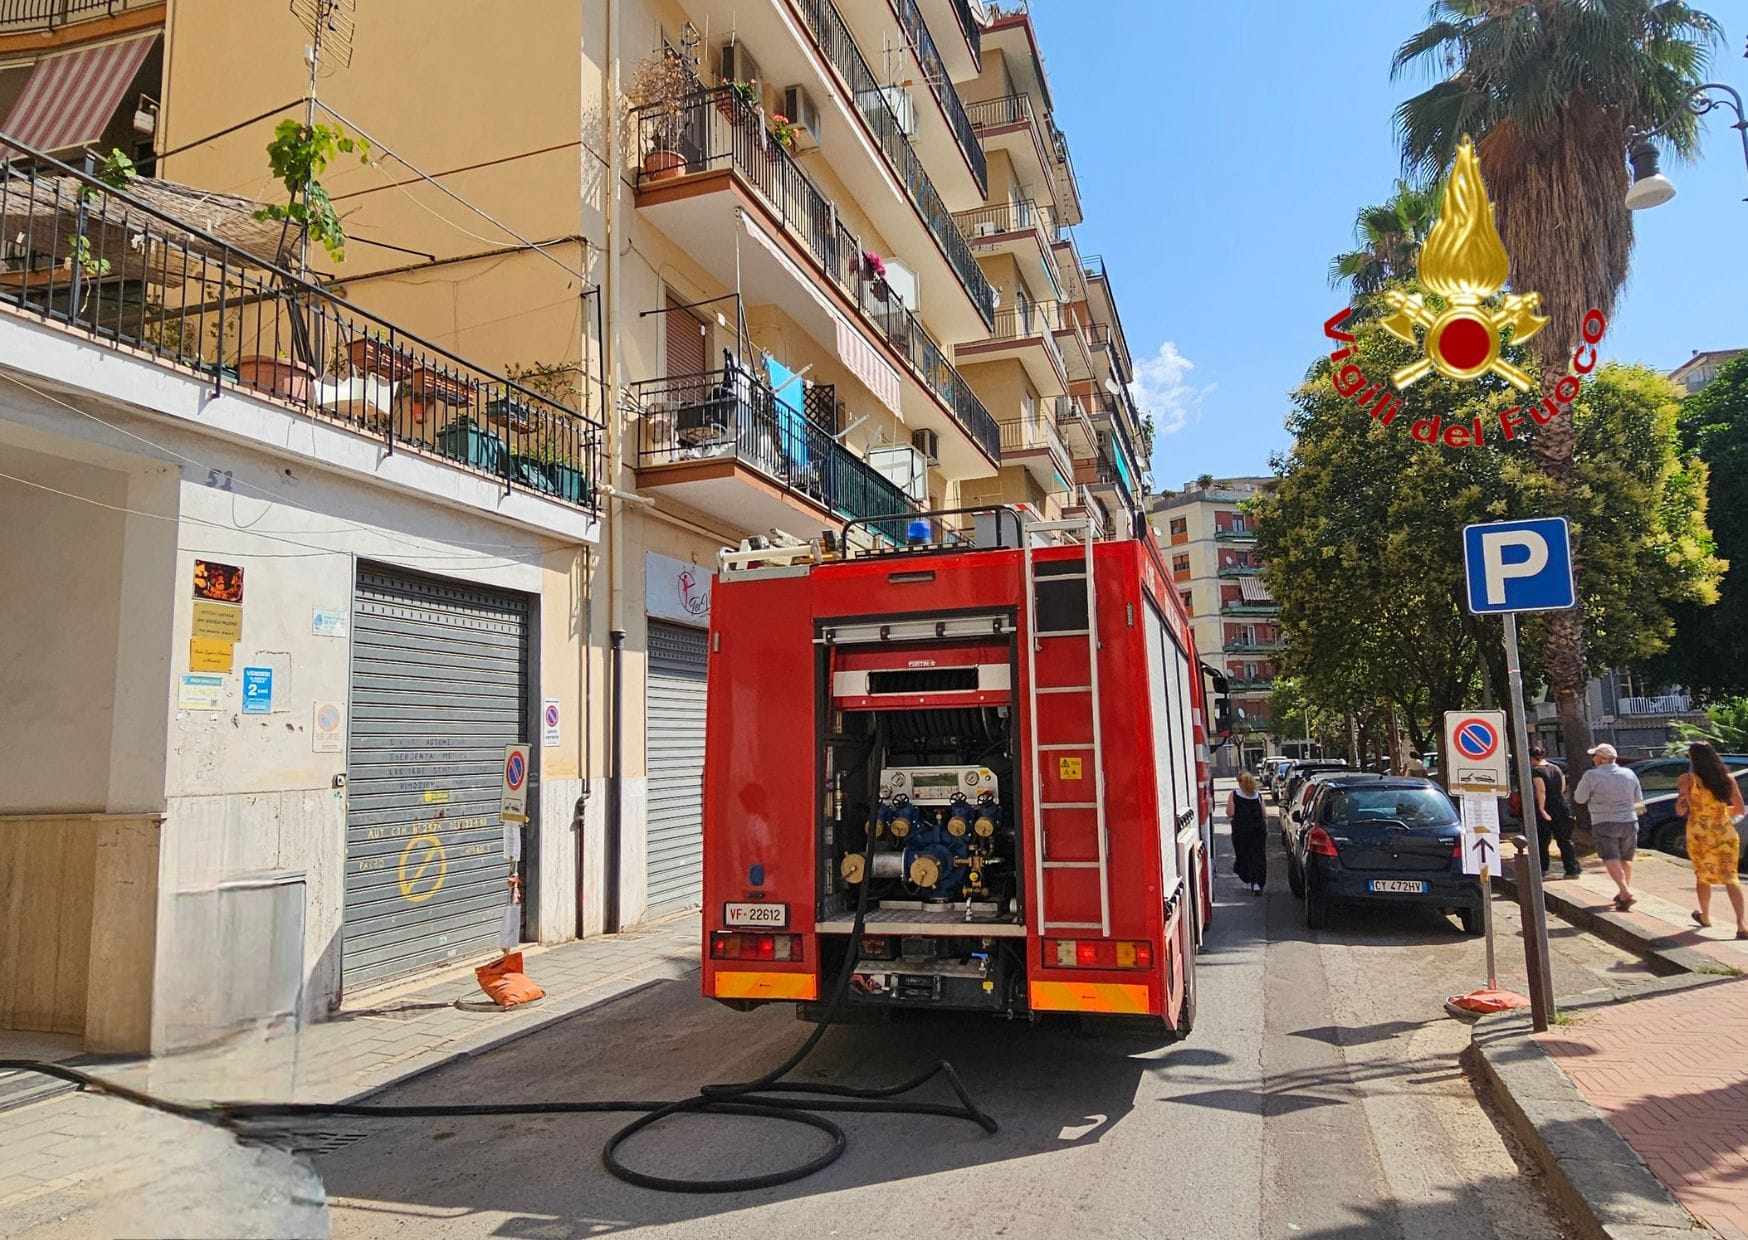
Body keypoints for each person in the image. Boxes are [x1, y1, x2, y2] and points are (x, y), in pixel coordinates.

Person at [1675, 741, 1748, 939]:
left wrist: (1690, 805)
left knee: (1702, 875)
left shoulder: (1687, 780)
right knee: (1730, 877)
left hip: (1699, 833)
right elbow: (1740, 809)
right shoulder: (1727, 779)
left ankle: (1705, 916)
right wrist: (1721, 812)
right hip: (1724, 833)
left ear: (1692, 758)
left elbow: (1680, 809)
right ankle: (1741, 924)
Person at [1571, 742, 1645, 911]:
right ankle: (1623, 892)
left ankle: (1625, 891)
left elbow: (1579, 798)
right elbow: (1638, 800)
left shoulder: (1591, 776)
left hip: (1604, 821)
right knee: (1626, 858)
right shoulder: (1629, 774)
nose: (1593, 759)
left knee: (1610, 857)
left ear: (1601, 759)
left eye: (1595, 756)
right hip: (1629, 820)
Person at [1530, 744, 1580, 879]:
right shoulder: (1556, 768)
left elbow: (1541, 791)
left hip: (1547, 807)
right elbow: (1563, 787)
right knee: (1564, 840)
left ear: (1531, 758)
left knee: (1543, 840)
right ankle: (1572, 869)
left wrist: (1541, 808)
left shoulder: (1536, 771)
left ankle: (1543, 868)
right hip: (1561, 805)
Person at [1227, 771, 1268, 894]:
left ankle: (1248, 876)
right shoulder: (1258, 796)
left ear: (1241, 783)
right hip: (1258, 830)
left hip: (1241, 830)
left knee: (1244, 854)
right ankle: (1257, 883)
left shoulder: (1234, 794)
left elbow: (1230, 812)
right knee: (1259, 855)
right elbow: (1264, 813)